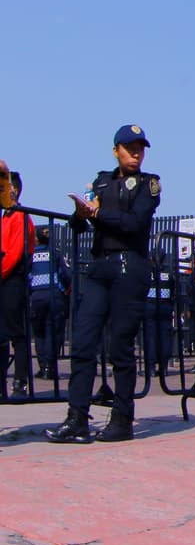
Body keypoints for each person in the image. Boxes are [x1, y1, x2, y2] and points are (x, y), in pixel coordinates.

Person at [45, 125, 161, 444]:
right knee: (82, 342)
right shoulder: (101, 181)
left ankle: (122, 418)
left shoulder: (149, 184)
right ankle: (77, 418)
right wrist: (82, 214)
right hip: (99, 266)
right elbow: (79, 226)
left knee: (120, 346)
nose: (136, 153)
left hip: (130, 265)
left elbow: (135, 223)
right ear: (116, 151)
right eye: (129, 147)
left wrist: (100, 213)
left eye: (140, 147)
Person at [1, 171, 35, 399]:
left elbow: (13, 254)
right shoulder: (6, 217)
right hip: (5, 279)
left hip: (12, 280)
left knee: (16, 334)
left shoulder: (21, 217)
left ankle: (20, 380)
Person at [30, 225, 72, 380]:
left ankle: (42, 367)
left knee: (39, 333)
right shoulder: (56, 254)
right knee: (53, 332)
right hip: (54, 296)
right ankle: (50, 368)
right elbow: (67, 275)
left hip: (36, 296)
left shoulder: (31, 255)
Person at [143, 248, 175, 377]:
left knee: (150, 336)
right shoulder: (169, 272)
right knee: (165, 336)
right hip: (165, 305)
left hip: (150, 305)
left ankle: (150, 367)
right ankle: (164, 367)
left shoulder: (147, 271)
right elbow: (173, 288)